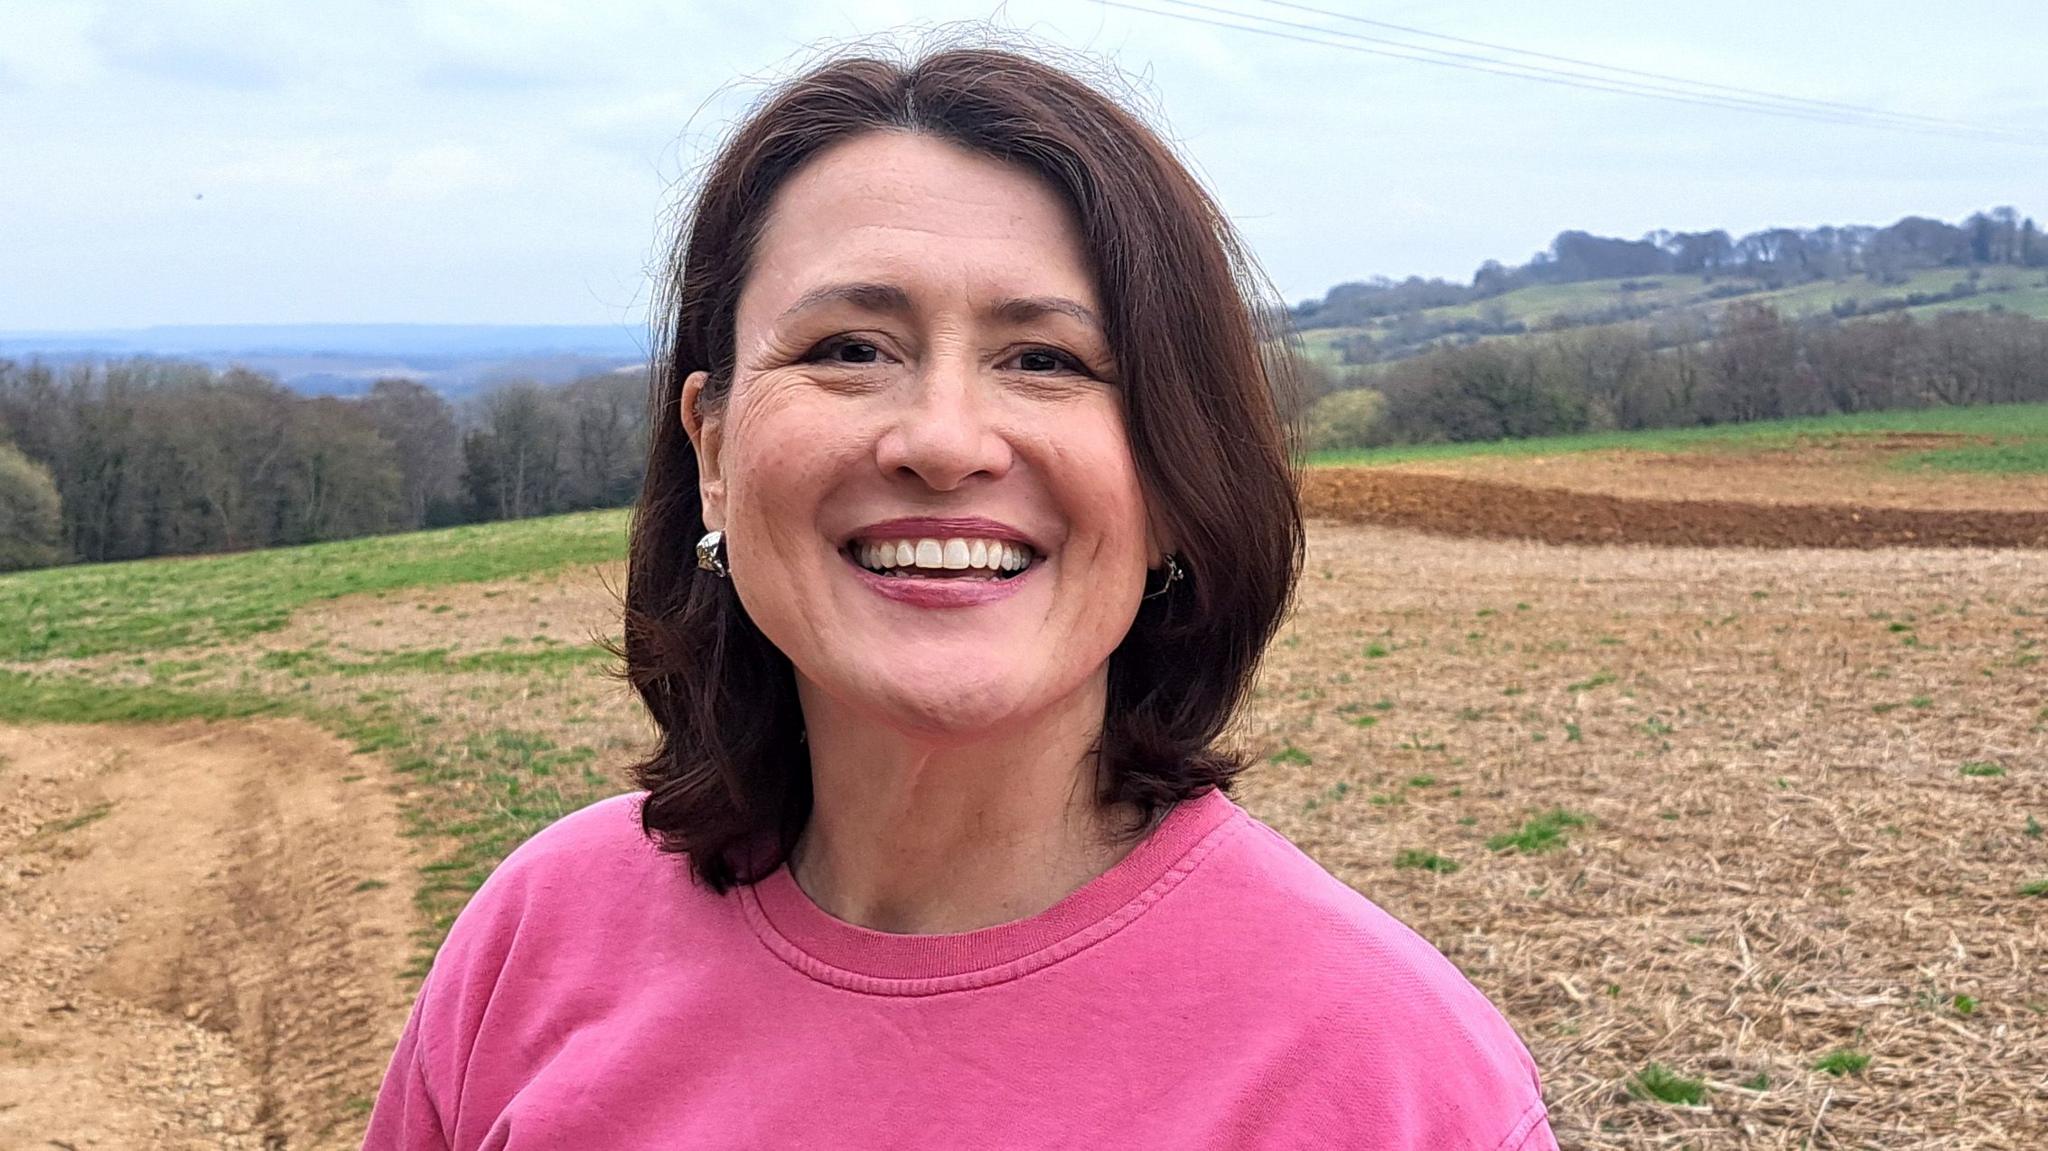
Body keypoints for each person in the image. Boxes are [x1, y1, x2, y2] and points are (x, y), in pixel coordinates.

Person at [363, 41, 1557, 1151]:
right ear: (712, 453)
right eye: (848, 347)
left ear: (1177, 485)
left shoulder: (1391, 1079)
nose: (942, 440)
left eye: (1045, 360)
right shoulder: (536, 937)